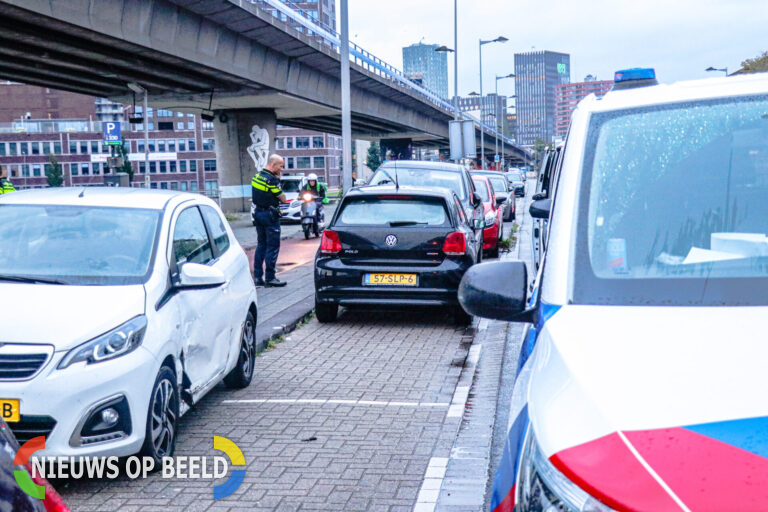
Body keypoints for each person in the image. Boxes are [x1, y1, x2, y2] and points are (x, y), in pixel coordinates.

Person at [251, 154, 288, 287]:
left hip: (258, 213)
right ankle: (270, 277)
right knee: (272, 246)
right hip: (270, 216)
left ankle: (257, 277)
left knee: (261, 245)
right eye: (280, 166)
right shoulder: (272, 180)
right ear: (273, 165)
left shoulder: (257, 177)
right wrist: (278, 180)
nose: (281, 169)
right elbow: (282, 198)